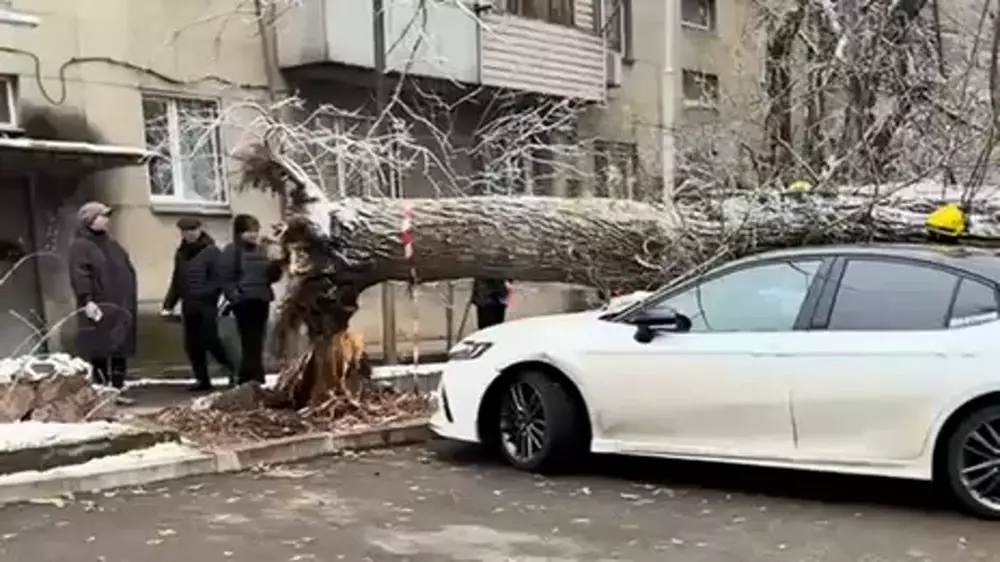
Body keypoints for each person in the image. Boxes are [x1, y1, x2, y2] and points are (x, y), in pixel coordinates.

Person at [68, 201, 138, 396]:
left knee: (119, 347)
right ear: (89, 220)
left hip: (120, 303)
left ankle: (118, 387)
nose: (106, 220)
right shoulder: (81, 245)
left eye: (106, 216)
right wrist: (87, 299)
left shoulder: (111, 243)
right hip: (100, 303)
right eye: (102, 216)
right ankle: (102, 391)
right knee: (100, 348)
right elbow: (80, 274)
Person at [161, 217, 235, 392]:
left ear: (200, 229)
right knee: (192, 345)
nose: (189, 234)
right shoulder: (181, 253)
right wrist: (168, 304)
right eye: (185, 231)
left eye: (192, 230)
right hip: (189, 305)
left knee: (211, 341)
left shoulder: (212, 251)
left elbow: (219, 279)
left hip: (206, 305)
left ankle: (233, 371)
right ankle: (202, 379)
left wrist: (212, 296)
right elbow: (177, 281)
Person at [220, 214, 282, 385]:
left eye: (255, 230)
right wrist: (234, 297)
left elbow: (271, 277)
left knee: (258, 339)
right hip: (244, 300)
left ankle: (250, 375)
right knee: (249, 339)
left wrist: (276, 266)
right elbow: (226, 277)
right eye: (249, 231)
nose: (253, 235)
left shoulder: (263, 250)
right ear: (239, 233)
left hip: (261, 299)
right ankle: (252, 376)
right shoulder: (232, 250)